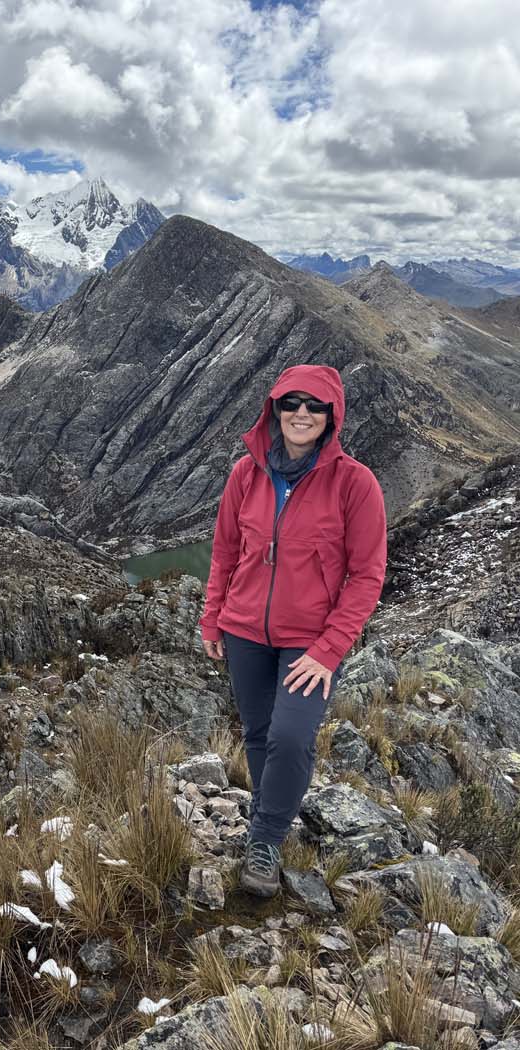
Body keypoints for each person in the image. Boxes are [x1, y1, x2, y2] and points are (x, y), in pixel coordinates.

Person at [199, 364, 387, 897]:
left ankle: (266, 837)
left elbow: (368, 574)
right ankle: (270, 812)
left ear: (332, 417)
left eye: (315, 405)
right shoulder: (246, 474)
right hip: (244, 629)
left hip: (311, 638)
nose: (302, 413)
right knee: (258, 734)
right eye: (292, 402)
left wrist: (329, 650)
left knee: (291, 734)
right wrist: (213, 616)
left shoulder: (356, 483)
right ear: (275, 409)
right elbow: (225, 552)